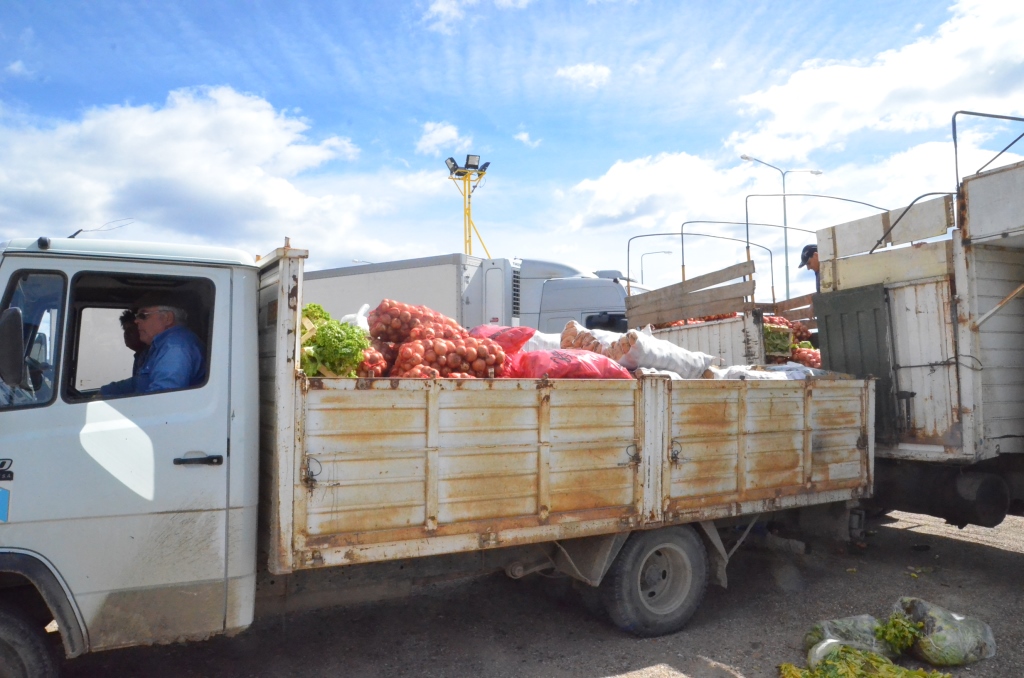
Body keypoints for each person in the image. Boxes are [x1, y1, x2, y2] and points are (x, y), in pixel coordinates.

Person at [100, 297, 205, 396]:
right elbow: (139, 382)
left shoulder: (175, 347)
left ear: (167, 318)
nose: (136, 321)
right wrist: (104, 392)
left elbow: (162, 398)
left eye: (143, 315)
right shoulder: (160, 345)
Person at [119, 310, 148, 377]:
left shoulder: (150, 356)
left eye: (131, 329)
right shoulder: (140, 356)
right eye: (125, 329)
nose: (126, 333)